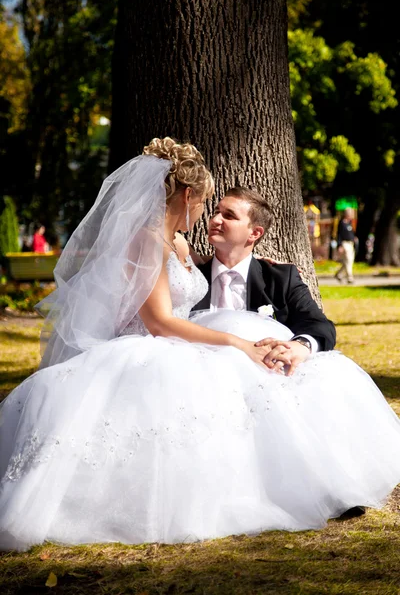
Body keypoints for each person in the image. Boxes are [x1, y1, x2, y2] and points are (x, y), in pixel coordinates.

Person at [1, 138, 400, 552]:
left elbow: (317, 324)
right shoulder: (150, 240)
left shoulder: (190, 248)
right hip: (155, 348)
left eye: (226, 213)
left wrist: (294, 346)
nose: (209, 216)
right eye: (209, 205)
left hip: (191, 346)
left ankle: (323, 480)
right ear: (188, 195)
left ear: (255, 233)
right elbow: (159, 321)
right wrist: (237, 343)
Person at [192, 187, 336, 376]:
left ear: (254, 233)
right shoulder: (190, 277)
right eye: (217, 212)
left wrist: (299, 346)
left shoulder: (280, 277)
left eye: (229, 216)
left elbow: (320, 325)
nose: (215, 220)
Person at [335, 209, 357, 284]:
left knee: (348, 261)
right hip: (345, 244)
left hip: (351, 244)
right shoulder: (342, 223)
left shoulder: (350, 223)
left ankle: (338, 274)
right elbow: (339, 235)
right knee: (348, 260)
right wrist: (339, 245)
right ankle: (350, 277)